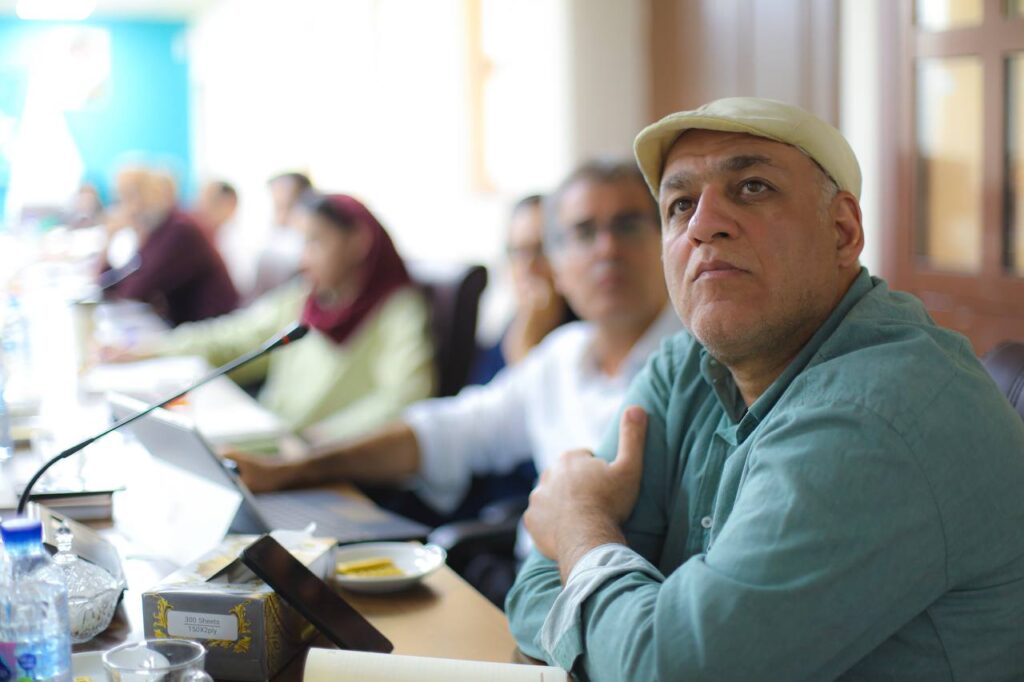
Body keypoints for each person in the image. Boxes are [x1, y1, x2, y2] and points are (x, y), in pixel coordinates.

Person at [506, 97, 1024, 681]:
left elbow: (667, 669)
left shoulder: (879, 411)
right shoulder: (684, 365)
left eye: (752, 187)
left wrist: (580, 526)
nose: (703, 224)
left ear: (843, 231)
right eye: (680, 204)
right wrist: (622, 598)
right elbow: (534, 592)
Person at [231, 159, 681, 530]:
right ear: (559, 264)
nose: (607, 249)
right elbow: (447, 430)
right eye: (583, 233)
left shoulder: (694, 366)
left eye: (627, 226)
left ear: (665, 239)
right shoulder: (561, 354)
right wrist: (294, 470)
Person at [119, 192, 435, 445]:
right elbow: (233, 337)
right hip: (276, 443)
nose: (304, 258)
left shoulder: (397, 309)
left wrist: (322, 439)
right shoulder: (305, 298)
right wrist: (154, 349)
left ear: (358, 242)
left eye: (315, 241)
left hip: (330, 462)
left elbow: (406, 397)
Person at [103, 167, 239, 326]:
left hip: (211, 328)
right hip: (187, 326)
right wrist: (109, 239)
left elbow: (134, 292)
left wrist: (139, 234)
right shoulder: (160, 230)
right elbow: (109, 286)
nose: (129, 208)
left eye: (132, 196)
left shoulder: (181, 230)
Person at [468, 194, 577, 386]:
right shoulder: (509, 326)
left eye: (540, 249)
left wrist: (525, 347)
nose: (528, 266)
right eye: (518, 252)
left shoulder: (582, 335)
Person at [251, 171, 313, 299]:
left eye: (286, 207)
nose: (280, 217)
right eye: (276, 207)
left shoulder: (305, 250)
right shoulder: (272, 239)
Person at [194, 180, 250, 293]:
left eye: (211, 202)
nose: (203, 209)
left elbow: (238, 287)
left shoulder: (235, 244)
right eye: (201, 202)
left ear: (230, 205)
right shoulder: (208, 235)